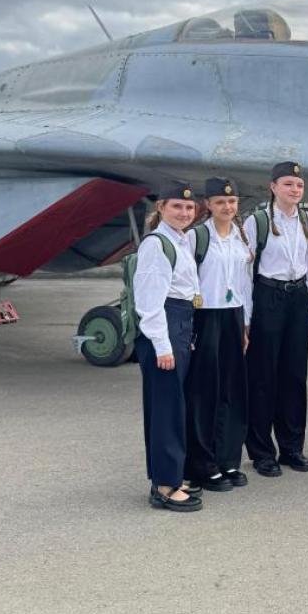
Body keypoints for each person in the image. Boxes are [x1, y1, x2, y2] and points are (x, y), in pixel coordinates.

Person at [132, 180, 203, 511]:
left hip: (179, 322)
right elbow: (149, 302)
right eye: (177, 206)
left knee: (175, 406)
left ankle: (171, 474)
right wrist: (162, 346)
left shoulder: (181, 239)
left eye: (189, 207)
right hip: (164, 326)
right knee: (165, 410)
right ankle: (164, 485)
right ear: (161, 208)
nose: (184, 212)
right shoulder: (156, 244)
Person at [244, 161, 308, 477]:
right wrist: (247, 318)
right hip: (268, 296)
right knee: (263, 377)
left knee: (294, 376)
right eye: (288, 184)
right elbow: (246, 272)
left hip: (297, 298)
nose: (294, 190)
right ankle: (262, 452)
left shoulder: (307, 220)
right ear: (273, 187)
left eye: (299, 185)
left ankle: (291, 447)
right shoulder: (257, 222)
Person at [183, 177, 252, 494]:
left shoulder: (240, 236)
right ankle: (202, 464)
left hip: (233, 315)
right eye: (221, 201)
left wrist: (245, 323)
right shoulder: (196, 237)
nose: (227, 206)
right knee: (204, 393)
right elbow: (186, 282)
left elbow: (244, 283)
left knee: (232, 390)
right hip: (206, 315)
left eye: (232, 201)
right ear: (208, 205)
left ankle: (228, 459)